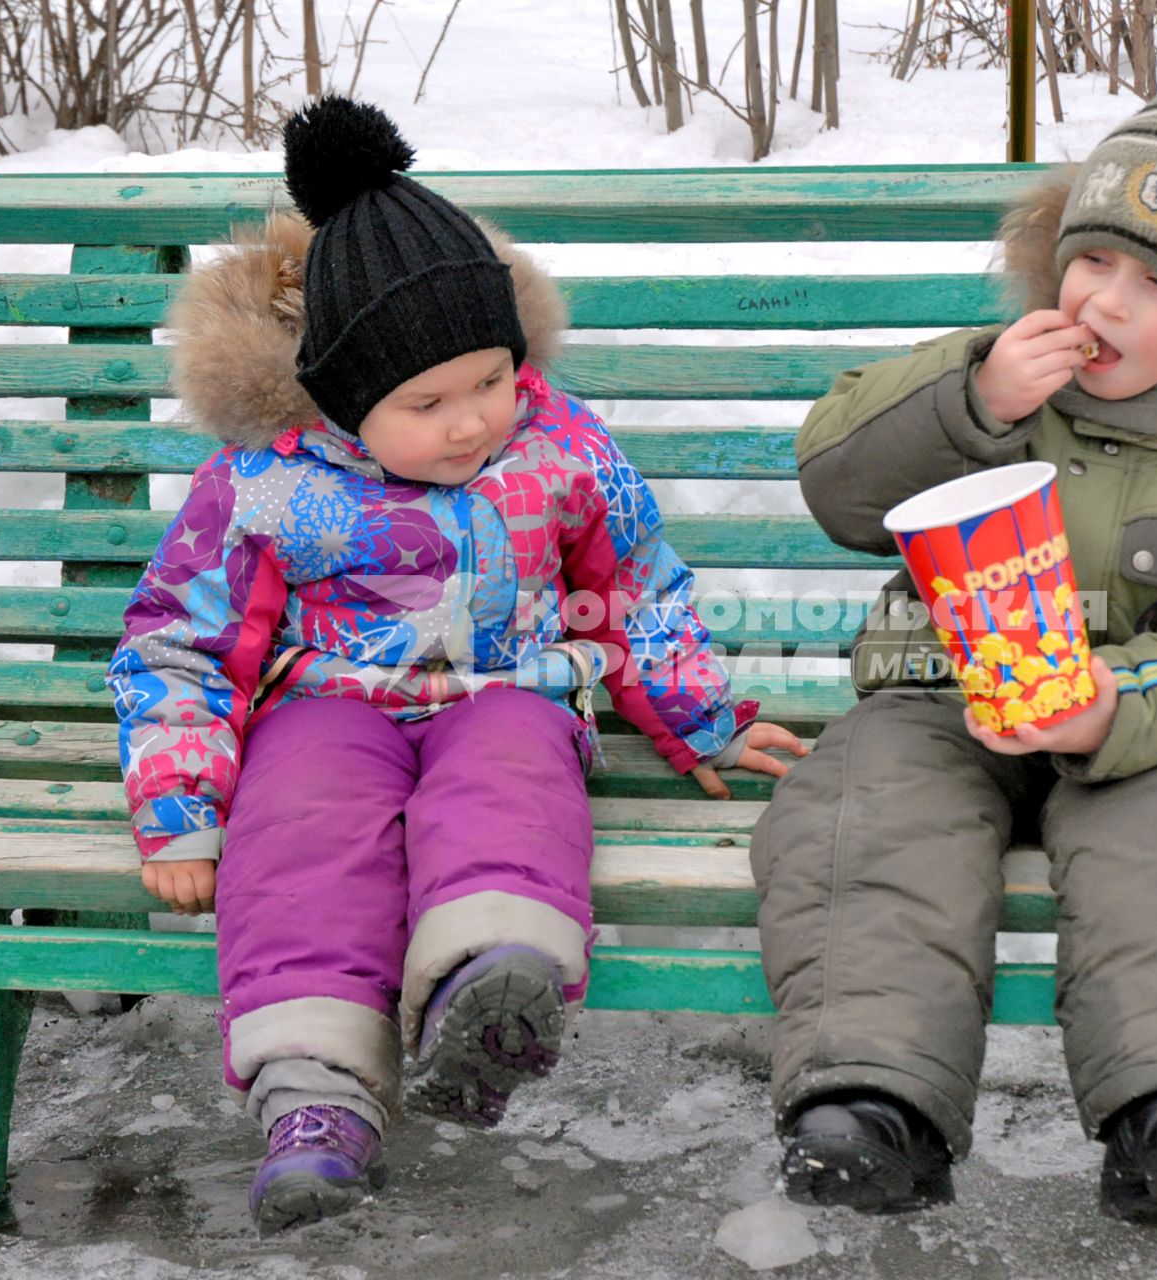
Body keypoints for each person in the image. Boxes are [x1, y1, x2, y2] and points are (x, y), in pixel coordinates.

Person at [108, 96, 802, 1233]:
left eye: (490, 378)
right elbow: (178, 639)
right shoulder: (266, 482)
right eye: (427, 403)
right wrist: (180, 797)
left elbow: (634, 583)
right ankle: (314, 1096)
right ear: (341, 395)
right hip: (326, 706)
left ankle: (491, 983)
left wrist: (703, 713)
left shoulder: (559, 441)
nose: (475, 418)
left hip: (510, 689)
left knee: (513, 780)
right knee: (303, 836)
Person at [751, 85, 1157, 1226]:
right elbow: (837, 484)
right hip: (944, 694)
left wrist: (1108, 704)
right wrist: (970, 396)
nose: (1110, 302)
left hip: (1155, 727)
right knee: (869, 806)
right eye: (1094, 263)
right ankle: (870, 1101)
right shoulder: (994, 379)